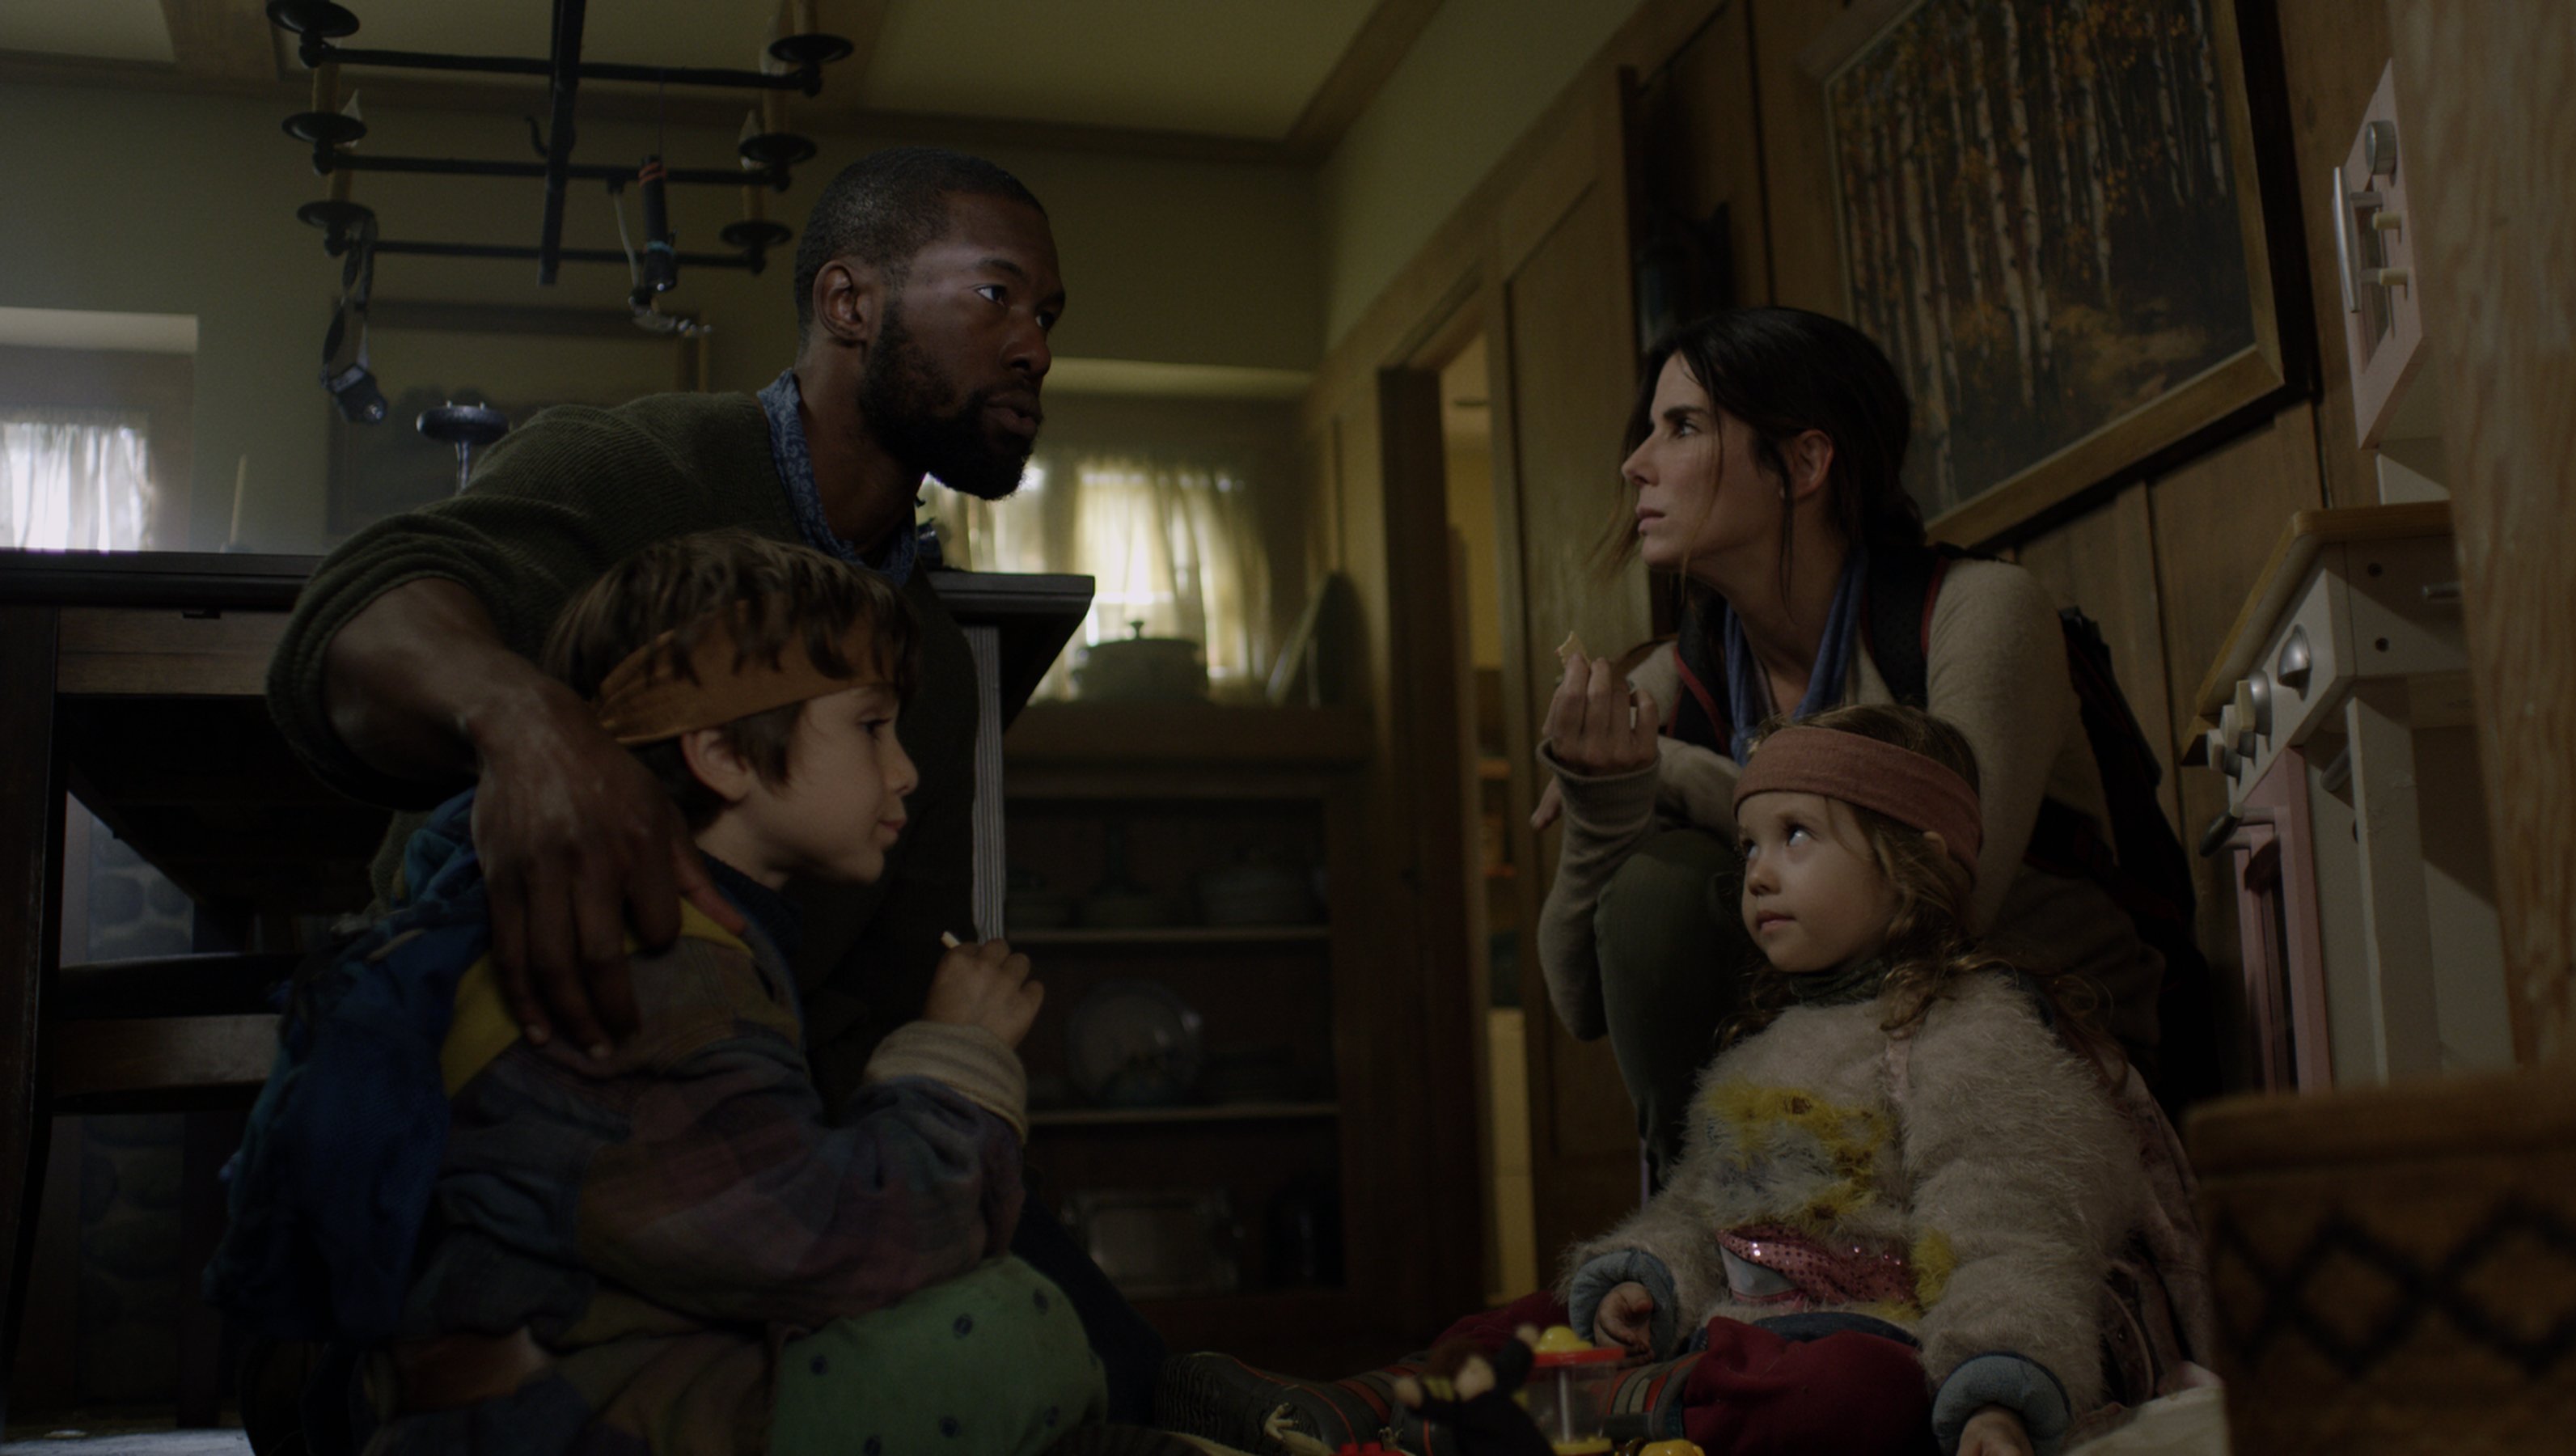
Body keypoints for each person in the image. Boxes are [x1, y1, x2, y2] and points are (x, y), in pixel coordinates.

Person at [260, 146, 1161, 1417]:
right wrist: (531, 725)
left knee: (1109, 1364)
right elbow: (344, 629)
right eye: (998, 298)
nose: (1035, 349)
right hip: (503, 1193)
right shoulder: (637, 468)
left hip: (757, 1174)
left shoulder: (937, 676)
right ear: (851, 304)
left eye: (1049, 317)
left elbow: (877, 1023)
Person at [221, 532, 1181, 1456]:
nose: (907, 770)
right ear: (722, 753)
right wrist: (955, 1058)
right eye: (871, 726)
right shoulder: (657, 962)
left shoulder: (671, 935)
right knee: (1012, 1329)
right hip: (569, 1427)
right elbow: (820, 1242)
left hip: (567, 1398)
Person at [1160, 706, 2156, 1456]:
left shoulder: (1969, 1031)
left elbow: (2022, 1228)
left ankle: (1552, 1416)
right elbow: (1695, 1209)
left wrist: (1997, 1384)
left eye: (1796, 838)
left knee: (1855, 1395)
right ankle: (1370, 1404)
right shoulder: (1767, 1039)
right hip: (1720, 1330)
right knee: (1520, 1319)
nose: (1758, 874)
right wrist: (1644, 1275)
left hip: (1856, 1339)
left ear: (1916, 862)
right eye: (1750, 844)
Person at [1533, 307, 2168, 1179]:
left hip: (2035, 1037)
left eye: (1681, 427)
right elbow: (1578, 998)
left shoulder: (1980, 612)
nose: (1634, 465)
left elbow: (1943, 896)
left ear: (1803, 462)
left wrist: (1674, 773)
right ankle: (1706, 1232)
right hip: (1824, 1052)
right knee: (1656, 896)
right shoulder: (1673, 684)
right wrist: (1603, 807)